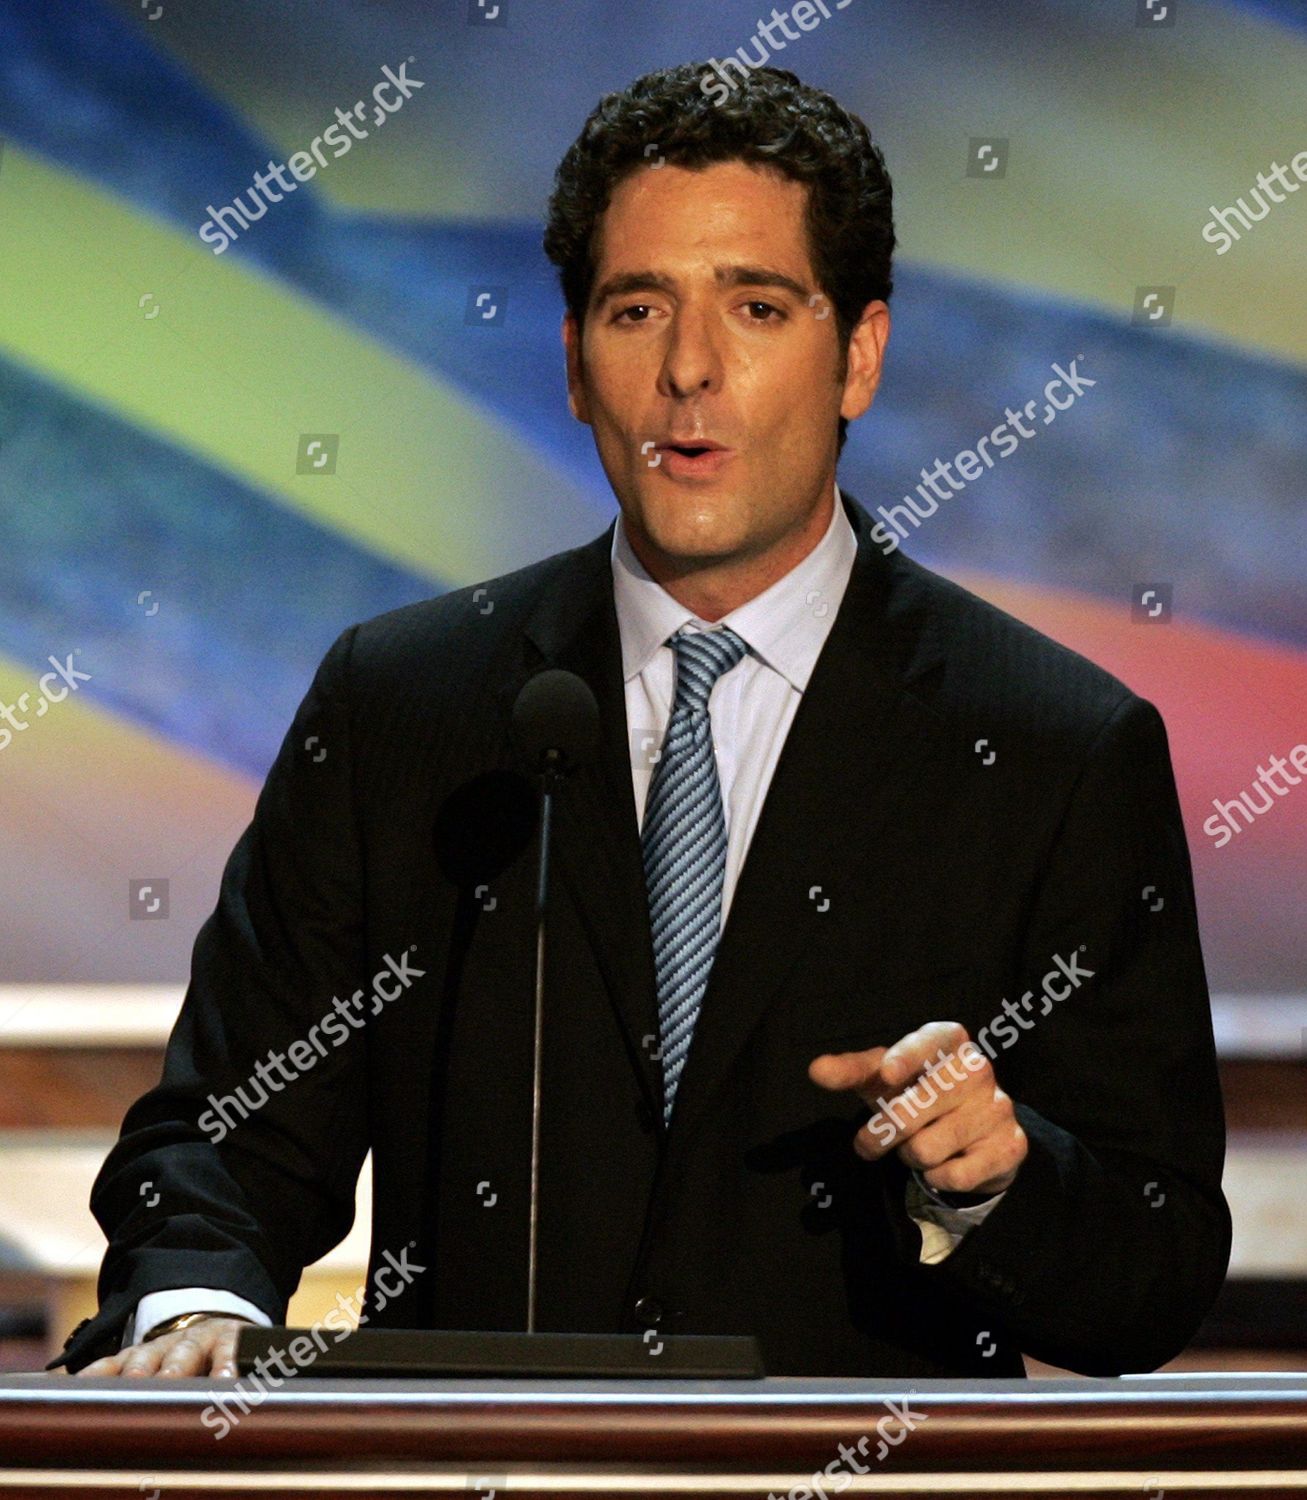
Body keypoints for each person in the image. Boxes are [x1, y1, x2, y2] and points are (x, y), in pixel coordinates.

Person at [55, 62, 1228, 1381]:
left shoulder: (1053, 746)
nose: (688, 371)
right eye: (636, 308)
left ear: (859, 355)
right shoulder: (403, 703)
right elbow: (224, 1139)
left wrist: (996, 1182)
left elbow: (1155, 1265)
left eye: (758, 306)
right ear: (571, 363)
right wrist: (193, 1313)